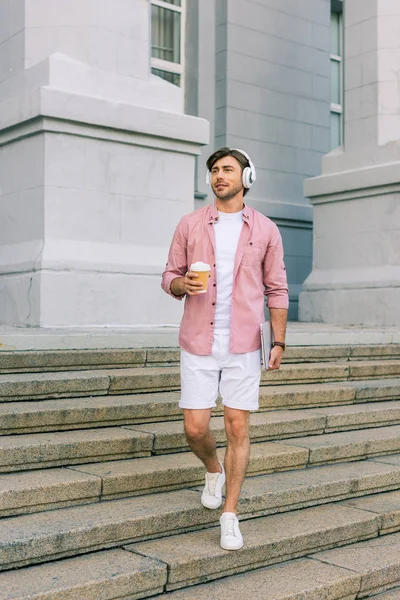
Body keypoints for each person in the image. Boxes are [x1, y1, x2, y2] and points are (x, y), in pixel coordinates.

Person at [161, 147, 289, 551]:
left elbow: (277, 288)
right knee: (195, 428)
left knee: (237, 426)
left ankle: (229, 514)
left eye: (228, 170)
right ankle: (212, 469)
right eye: (214, 170)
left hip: (245, 343)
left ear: (247, 177)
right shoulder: (190, 224)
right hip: (199, 340)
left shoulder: (266, 229)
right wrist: (181, 285)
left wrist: (280, 340)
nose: (220, 176)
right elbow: (169, 275)